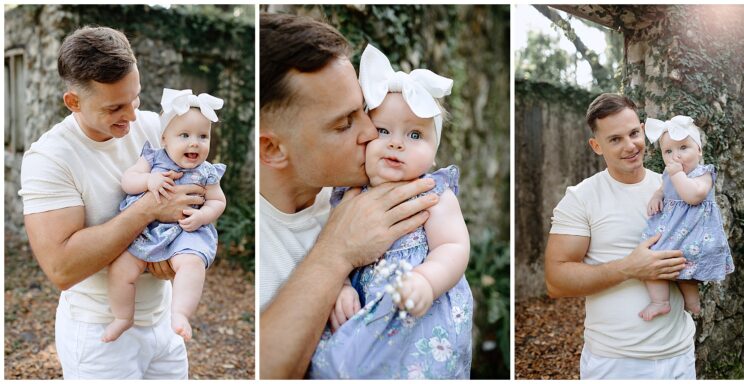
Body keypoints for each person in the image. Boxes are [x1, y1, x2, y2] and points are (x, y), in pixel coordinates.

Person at [257, 13, 439, 379]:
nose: (372, 131)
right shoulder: (256, 239)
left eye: (364, 110)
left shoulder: (376, 189)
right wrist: (335, 252)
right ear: (273, 149)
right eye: (344, 124)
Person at [19, 26, 203, 379]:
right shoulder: (50, 158)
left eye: (135, 98)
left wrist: (179, 251)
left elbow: (195, 192)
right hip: (99, 336)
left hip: (164, 324)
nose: (133, 116)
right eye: (115, 107)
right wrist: (149, 208)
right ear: (73, 102)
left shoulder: (153, 127)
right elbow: (62, 267)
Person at [307, 44, 472, 379]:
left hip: (420, 313)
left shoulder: (434, 194)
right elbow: (326, 248)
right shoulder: (347, 193)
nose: (397, 143)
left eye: (415, 135)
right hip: (360, 314)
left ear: (434, 154)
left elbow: (453, 247)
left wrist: (427, 280)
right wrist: (339, 287)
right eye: (382, 131)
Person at [544, 93, 694, 379]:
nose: (630, 146)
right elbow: (556, 281)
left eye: (634, 133)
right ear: (596, 145)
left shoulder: (675, 187)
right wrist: (630, 268)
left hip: (678, 356)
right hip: (614, 362)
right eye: (615, 139)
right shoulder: (581, 198)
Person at [103, 89, 227, 343]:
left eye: (203, 136)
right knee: (120, 269)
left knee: (192, 264)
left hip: (186, 231)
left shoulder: (207, 173)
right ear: (164, 139)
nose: (195, 142)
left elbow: (218, 201)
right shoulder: (153, 159)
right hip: (146, 230)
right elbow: (128, 181)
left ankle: (180, 313)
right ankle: (122, 317)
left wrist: (203, 216)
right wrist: (149, 180)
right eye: (184, 135)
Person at [637, 115, 733, 320]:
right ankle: (660, 301)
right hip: (672, 229)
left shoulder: (703, 173)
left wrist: (677, 175)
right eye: (668, 151)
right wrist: (657, 195)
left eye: (683, 148)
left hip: (695, 233)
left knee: (685, 268)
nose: (675, 156)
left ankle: (692, 302)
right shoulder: (669, 174)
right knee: (653, 259)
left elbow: (693, 196)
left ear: (699, 150)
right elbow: (665, 188)